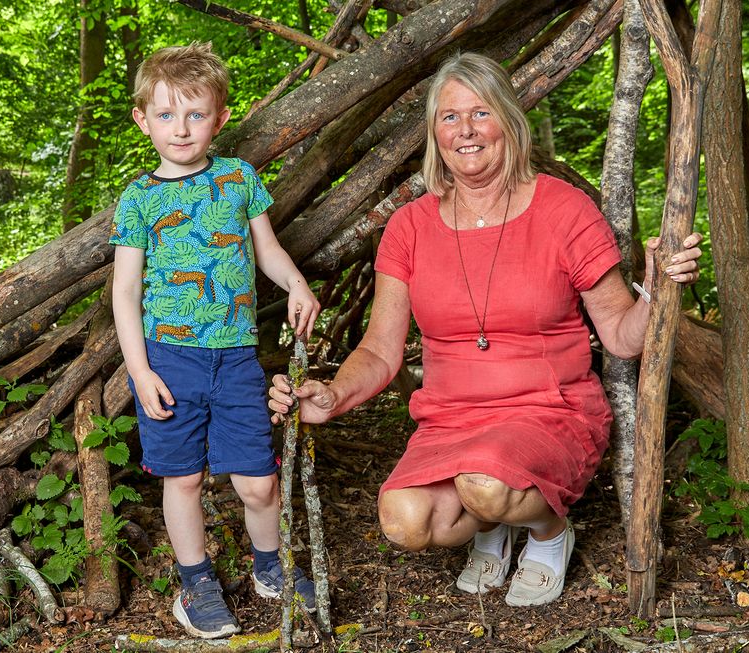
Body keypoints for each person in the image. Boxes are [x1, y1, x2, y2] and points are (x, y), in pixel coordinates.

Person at [268, 52, 703, 608]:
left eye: (480, 114)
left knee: (486, 482)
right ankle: (492, 525)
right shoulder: (409, 227)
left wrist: (658, 287)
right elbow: (380, 348)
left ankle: (547, 534)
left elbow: (621, 335)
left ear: (509, 122)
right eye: (449, 118)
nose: (465, 131)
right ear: (434, 133)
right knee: (403, 520)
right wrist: (332, 395)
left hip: (548, 408)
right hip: (452, 418)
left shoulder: (565, 210)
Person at [110, 42, 321, 639]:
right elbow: (124, 292)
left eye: (196, 114)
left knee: (258, 480)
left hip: (234, 358)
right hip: (169, 359)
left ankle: (270, 568)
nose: (182, 129)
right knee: (182, 478)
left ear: (221, 118)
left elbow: (267, 250)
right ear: (143, 119)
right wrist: (140, 371)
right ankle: (196, 582)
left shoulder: (238, 179)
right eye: (167, 114)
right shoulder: (140, 198)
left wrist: (297, 284)